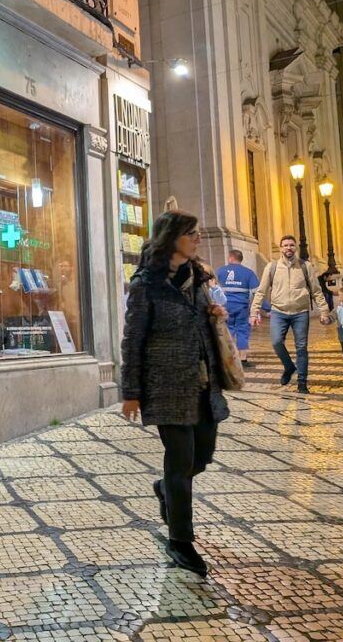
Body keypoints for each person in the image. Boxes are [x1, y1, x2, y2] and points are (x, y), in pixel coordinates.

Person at [121, 210, 231, 577]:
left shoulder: (198, 276)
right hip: (165, 386)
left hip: (202, 382)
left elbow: (201, 319)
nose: (199, 238)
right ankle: (181, 541)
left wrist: (214, 312)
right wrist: (131, 392)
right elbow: (133, 339)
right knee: (181, 462)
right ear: (173, 237)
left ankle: (165, 488)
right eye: (192, 233)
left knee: (201, 458)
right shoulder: (146, 284)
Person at [250, 235, 331, 394]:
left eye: (292, 245)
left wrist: (324, 311)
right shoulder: (271, 267)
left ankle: (302, 382)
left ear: (296, 248)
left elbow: (316, 291)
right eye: (285, 245)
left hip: (300, 312)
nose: (289, 248)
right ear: (280, 248)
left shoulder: (305, 266)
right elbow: (261, 291)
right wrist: (254, 311)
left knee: (301, 348)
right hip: (278, 312)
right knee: (276, 342)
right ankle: (289, 367)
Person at [217, 250, 260, 368]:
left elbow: (213, 288)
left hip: (225, 307)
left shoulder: (220, 271)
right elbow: (257, 293)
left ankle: (227, 359)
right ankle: (243, 360)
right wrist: (266, 308)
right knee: (242, 331)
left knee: (227, 331)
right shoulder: (248, 273)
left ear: (230, 258)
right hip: (242, 308)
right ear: (241, 259)